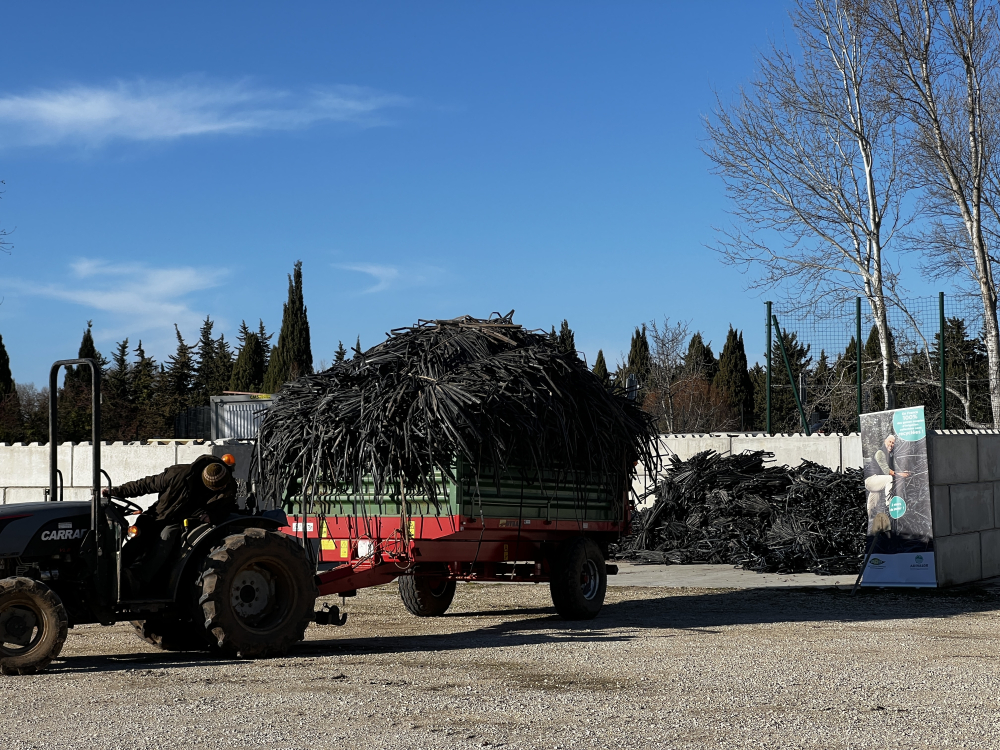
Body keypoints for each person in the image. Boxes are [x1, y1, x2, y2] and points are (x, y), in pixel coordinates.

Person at [104, 454, 237, 593]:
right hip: (159, 514)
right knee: (138, 537)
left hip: (181, 521)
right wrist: (117, 491)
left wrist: (212, 516)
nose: (222, 488)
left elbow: (226, 508)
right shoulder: (180, 474)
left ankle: (138, 580)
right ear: (206, 483)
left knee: (165, 538)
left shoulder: (228, 485)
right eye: (217, 488)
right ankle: (113, 572)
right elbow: (146, 484)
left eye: (223, 486)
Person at [863, 434, 909, 535]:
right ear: (885, 441)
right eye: (890, 442)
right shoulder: (880, 453)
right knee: (889, 478)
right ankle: (889, 504)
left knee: (872, 504)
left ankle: (868, 524)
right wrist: (900, 474)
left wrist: (903, 472)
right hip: (871, 479)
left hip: (878, 482)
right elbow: (887, 471)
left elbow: (896, 468)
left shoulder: (891, 455)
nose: (891, 444)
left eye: (893, 443)